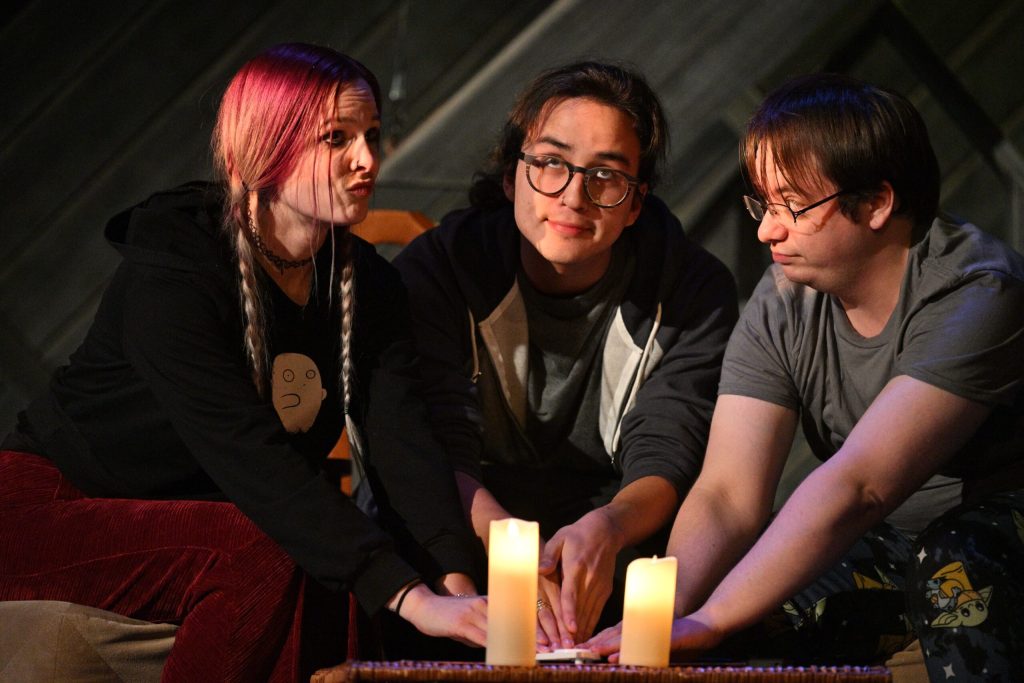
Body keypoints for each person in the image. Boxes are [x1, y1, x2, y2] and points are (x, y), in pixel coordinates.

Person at [0, 43, 487, 682]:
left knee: (335, 584)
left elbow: (404, 447)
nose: (368, 159)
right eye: (336, 138)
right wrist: (404, 592)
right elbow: (247, 454)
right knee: (262, 551)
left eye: (371, 135)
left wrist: (454, 591)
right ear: (266, 148)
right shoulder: (176, 270)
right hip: (50, 507)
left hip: (206, 517)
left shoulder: (366, 285)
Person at [587, 73, 1024, 679]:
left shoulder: (977, 291)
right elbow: (727, 494)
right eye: (763, 205)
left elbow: (861, 484)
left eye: (793, 205)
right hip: (892, 539)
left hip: (996, 529)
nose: (768, 229)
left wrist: (714, 620)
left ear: (875, 203)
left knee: (956, 569)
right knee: (762, 599)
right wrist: (669, 616)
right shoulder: (784, 299)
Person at [394, 61, 738, 649]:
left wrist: (607, 528)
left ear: (635, 203)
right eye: (551, 163)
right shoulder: (440, 270)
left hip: (616, 532)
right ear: (511, 175)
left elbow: (669, 448)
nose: (574, 196)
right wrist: (508, 554)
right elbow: (430, 445)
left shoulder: (689, 289)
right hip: (464, 525)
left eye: (606, 175)